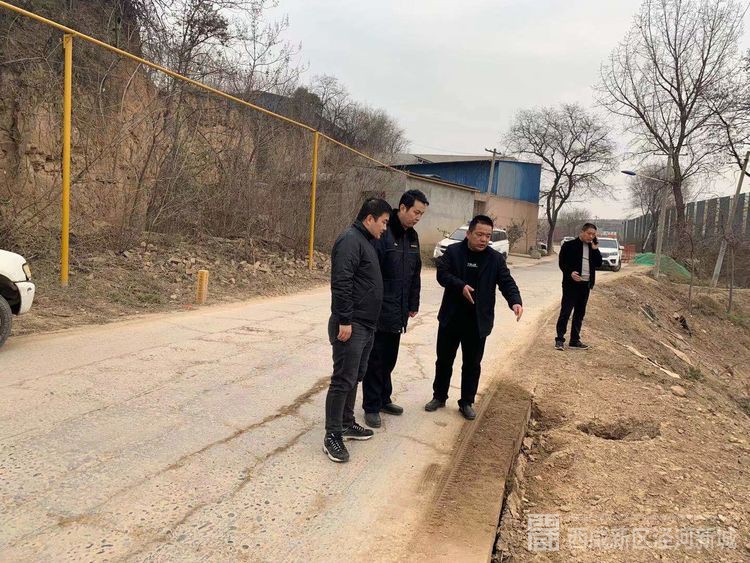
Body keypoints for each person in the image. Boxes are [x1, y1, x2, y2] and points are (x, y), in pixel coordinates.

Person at [424, 215, 523, 421]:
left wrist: (515, 301)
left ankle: (466, 402)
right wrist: (460, 286)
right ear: (469, 234)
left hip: (478, 322)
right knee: (444, 361)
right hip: (451, 318)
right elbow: (442, 275)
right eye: (479, 234)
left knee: (472, 364)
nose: (484, 239)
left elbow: (507, 282)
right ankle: (439, 396)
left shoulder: (495, 259)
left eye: (488, 235)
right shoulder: (453, 252)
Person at [323, 198, 392, 463]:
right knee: (343, 379)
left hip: (365, 325)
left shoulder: (366, 241)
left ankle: (346, 422)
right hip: (351, 324)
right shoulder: (350, 240)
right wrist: (344, 319)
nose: (385, 228)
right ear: (369, 218)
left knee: (355, 377)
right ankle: (332, 435)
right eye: (383, 222)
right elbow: (341, 281)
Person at [362, 189, 429, 428]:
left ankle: (384, 398)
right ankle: (371, 406)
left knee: (390, 357)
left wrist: (413, 303)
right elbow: (371, 271)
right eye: (416, 212)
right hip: (380, 308)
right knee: (375, 359)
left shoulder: (412, 236)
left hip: (399, 308)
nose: (418, 217)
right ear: (402, 208)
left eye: (421, 214)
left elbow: (415, 272)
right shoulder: (383, 231)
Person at [554, 222, 602, 351]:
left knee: (580, 313)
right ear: (582, 232)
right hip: (571, 285)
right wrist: (570, 273)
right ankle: (559, 339)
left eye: (593, 234)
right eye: (589, 233)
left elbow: (599, 263)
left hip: (585, 285)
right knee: (566, 311)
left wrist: (595, 249)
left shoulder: (592, 247)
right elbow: (562, 263)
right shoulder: (569, 245)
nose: (591, 236)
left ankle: (574, 340)